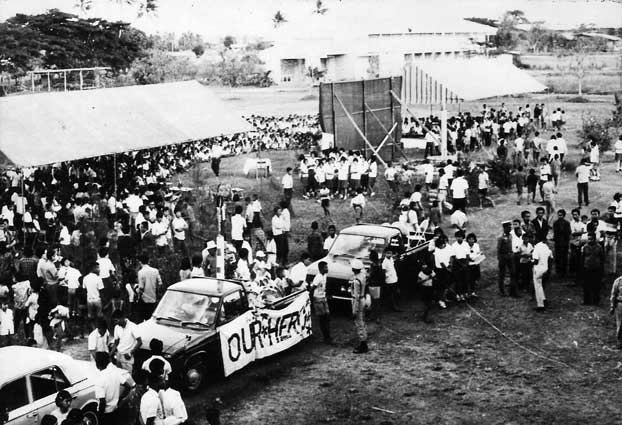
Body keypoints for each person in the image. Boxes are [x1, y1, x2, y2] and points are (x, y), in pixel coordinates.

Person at [94, 352, 135, 425]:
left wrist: (100, 417)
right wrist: (120, 398)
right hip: (115, 410)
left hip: (105, 414)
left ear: (97, 364)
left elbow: (102, 402)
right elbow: (128, 386)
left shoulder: (99, 379)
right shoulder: (115, 372)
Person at [350, 259, 368, 354]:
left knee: (359, 322)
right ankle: (364, 340)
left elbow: (356, 297)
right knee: (362, 321)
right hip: (363, 298)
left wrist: (354, 310)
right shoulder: (363, 275)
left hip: (358, 300)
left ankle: (363, 343)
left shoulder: (356, 281)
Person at [137, 255, 163, 322]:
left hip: (144, 299)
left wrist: (138, 296)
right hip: (153, 298)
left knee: (145, 319)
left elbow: (141, 287)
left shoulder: (140, 272)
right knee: (153, 318)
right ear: (148, 261)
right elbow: (160, 283)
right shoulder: (155, 271)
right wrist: (156, 292)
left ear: (140, 262)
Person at [310, 261, 331, 344]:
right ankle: (326, 337)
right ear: (321, 269)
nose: (327, 269)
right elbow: (312, 289)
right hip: (318, 299)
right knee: (322, 318)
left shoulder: (324, 275)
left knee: (327, 316)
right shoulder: (317, 277)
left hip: (323, 297)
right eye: (326, 267)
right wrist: (311, 300)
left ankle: (327, 335)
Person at [582, 232, 604, 306]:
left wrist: (601, 270)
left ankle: (596, 301)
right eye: (588, 239)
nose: (589, 240)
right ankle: (586, 301)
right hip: (587, 268)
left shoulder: (599, 247)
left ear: (594, 239)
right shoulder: (585, 247)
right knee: (586, 285)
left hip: (596, 268)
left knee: (596, 285)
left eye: (591, 239)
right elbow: (582, 258)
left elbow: (602, 258)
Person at [532, 236, 553, 312]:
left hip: (538, 269)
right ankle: (544, 299)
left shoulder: (536, 248)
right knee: (540, 285)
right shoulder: (546, 247)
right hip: (545, 268)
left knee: (537, 287)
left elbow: (536, 261)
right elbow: (551, 257)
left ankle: (540, 306)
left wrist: (530, 261)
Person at [497, 221, 513, 297]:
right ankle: (502, 291)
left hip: (510, 256)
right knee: (502, 274)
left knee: (512, 273)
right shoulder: (501, 237)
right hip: (503, 257)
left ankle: (511, 290)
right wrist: (500, 258)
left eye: (510, 227)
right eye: (508, 227)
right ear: (505, 228)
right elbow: (498, 249)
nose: (510, 228)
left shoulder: (510, 235)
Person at [553, 210, 571, 277]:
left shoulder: (567, 223)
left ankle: (564, 272)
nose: (559, 216)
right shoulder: (555, 223)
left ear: (564, 215)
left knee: (564, 257)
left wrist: (566, 240)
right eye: (559, 215)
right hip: (558, 243)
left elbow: (568, 232)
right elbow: (555, 232)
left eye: (561, 215)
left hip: (565, 242)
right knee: (558, 257)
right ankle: (558, 271)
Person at [609, 274, 622, 349]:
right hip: (620, 305)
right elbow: (613, 294)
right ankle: (620, 342)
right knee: (620, 324)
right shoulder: (618, 281)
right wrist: (612, 306)